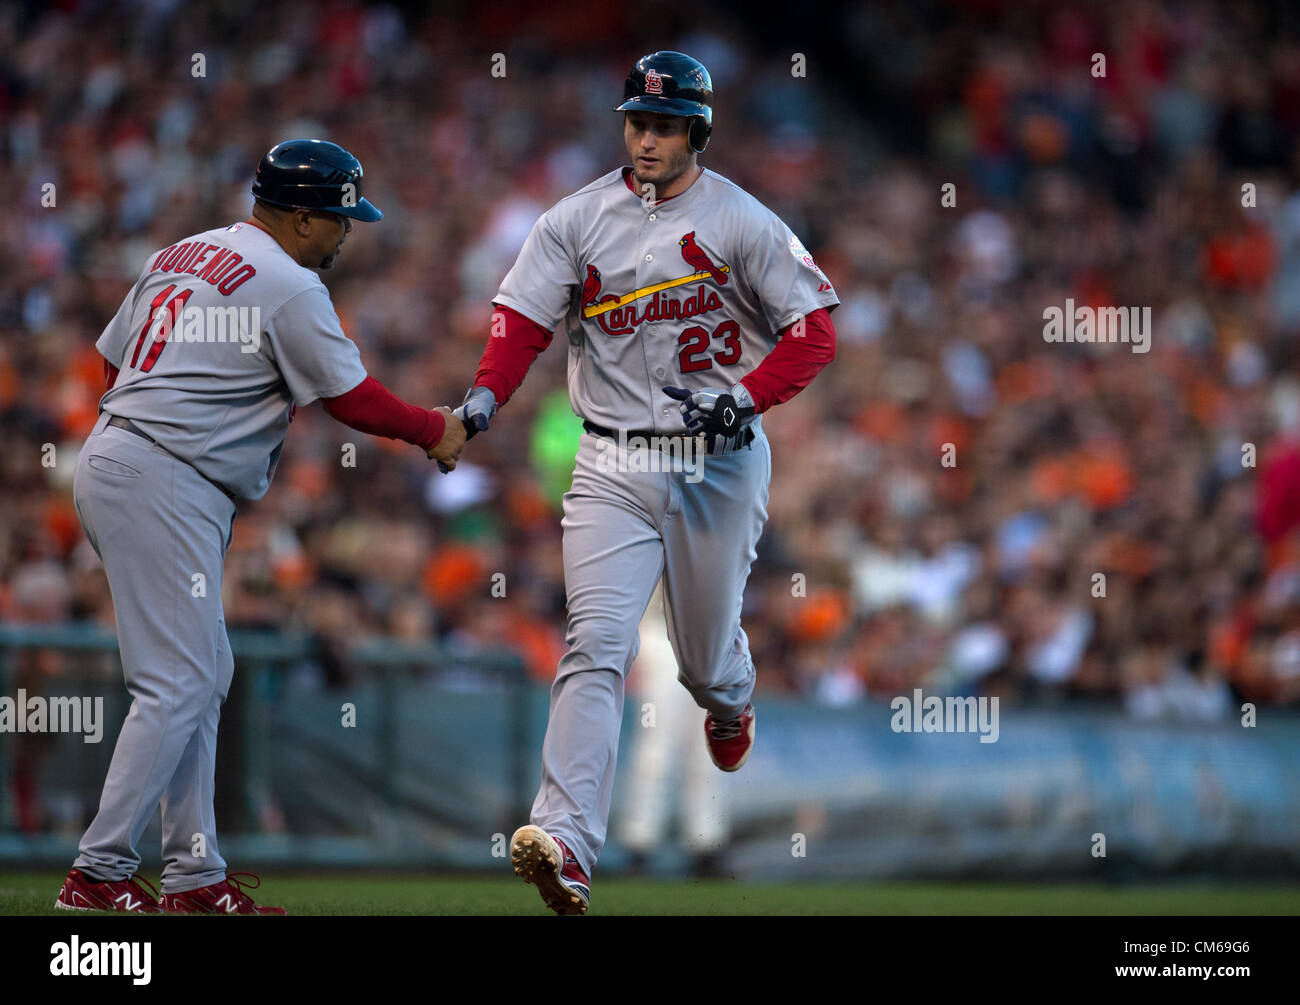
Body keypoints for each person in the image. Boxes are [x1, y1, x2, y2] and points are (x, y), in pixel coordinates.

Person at [454, 52, 839, 914]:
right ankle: (566, 839)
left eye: (664, 125)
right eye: (637, 121)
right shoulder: (576, 218)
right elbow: (521, 321)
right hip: (614, 459)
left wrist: (744, 395)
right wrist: (483, 396)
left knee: (703, 659)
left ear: (697, 131)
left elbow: (813, 334)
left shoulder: (741, 219)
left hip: (718, 458)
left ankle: (730, 702)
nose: (647, 137)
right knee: (595, 644)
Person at [55, 139, 466, 914]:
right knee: (176, 681)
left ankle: (194, 875)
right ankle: (98, 873)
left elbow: (113, 364)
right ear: (303, 218)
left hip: (127, 458)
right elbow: (351, 398)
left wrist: (151, 428)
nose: (347, 232)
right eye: (341, 217)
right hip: (164, 476)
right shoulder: (288, 281)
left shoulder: (184, 250)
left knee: (204, 676)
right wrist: (431, 429)